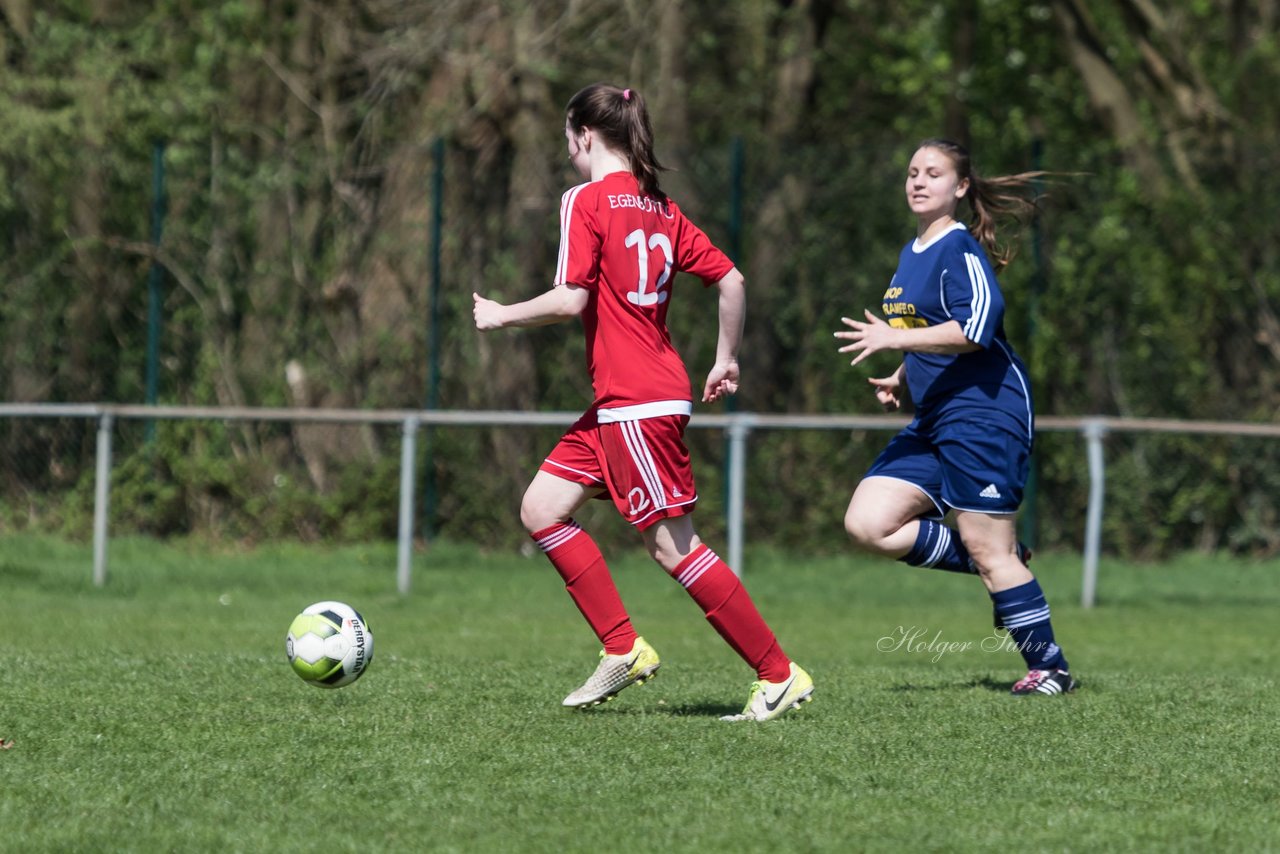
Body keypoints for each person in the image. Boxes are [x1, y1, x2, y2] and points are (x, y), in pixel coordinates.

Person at [473, 83, 813, 721]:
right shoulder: (661, 207)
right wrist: (725, 357)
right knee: (542, 507)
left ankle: (777, 673)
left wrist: (501, 316)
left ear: (583, 135)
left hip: (635, 402)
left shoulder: (586, 200)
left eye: (567, 141)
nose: (568, 153)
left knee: (673, 547)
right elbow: (731, 279)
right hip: (627, 403)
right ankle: (621, 648)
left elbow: (570, 298)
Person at [835, 138, 1077, 696]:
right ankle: (997, 556)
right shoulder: (912, 250)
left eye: (934, 174)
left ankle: (1050, 668)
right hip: (937, 417)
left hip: (984, 414)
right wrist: (902, 373)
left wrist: (894, 340)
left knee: (990, 554)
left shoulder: (958, 248)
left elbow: (977, 327)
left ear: (960, 188)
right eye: (913, 172)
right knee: (868, 523)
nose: (919, 181)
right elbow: (931, 328)